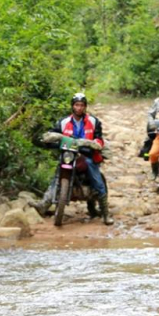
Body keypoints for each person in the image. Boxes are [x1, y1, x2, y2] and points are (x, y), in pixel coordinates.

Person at [31, 93, 114, 225]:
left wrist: (95, 143)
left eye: (82, 105)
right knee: (57, 176)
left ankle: (105, 214)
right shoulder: (63, 122)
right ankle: (44, 203)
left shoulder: (93, 121)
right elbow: (52, 133)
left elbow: (99, 138)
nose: (79, 108)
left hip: (87, 155)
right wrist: (48, 140)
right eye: (77, 105)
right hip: (69, 153)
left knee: (97, 179)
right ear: (72, 106)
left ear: (85, 107)